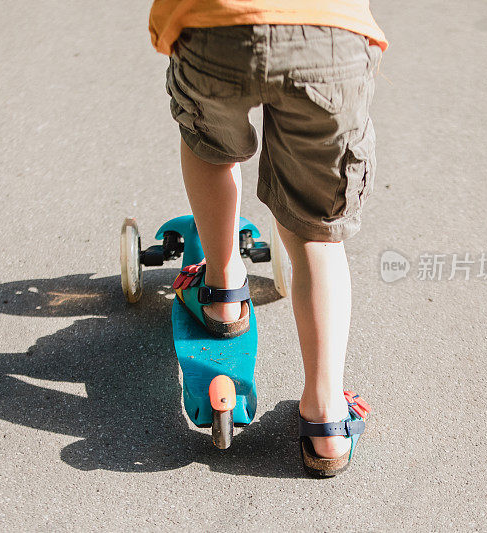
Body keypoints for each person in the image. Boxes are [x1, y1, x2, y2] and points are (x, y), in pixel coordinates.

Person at [149, 1, 387, 476]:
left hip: (217, 25)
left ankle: (222, 292)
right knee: (316, 232)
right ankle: (326, 419)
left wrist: (168, 27)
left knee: (211, 148)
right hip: (326, 37)